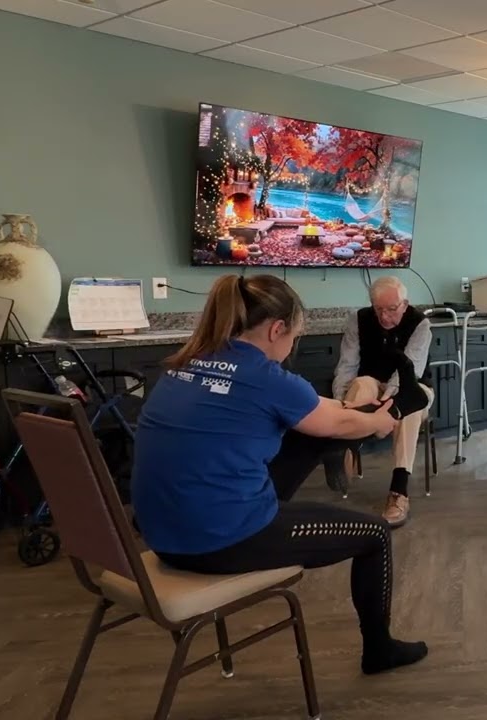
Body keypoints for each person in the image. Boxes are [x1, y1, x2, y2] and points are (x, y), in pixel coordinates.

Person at [131, 274, 428, 676]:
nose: (293, 345)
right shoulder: (265, 377)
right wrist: (390, 415)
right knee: (374, 534)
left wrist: (360, 415)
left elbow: (323, 409)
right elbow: (346, 422)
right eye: (295, 336)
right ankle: (380, 651)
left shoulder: (186, 365)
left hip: (162, 534)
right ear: (276, 330)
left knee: (311, 434)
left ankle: (328, 453)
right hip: (218, 541)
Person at [328, 275, 433, 527]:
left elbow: (408, 372)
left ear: (404, 304)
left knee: (407, 406)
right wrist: (340, 404)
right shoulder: (358, 319)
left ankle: (399, 491)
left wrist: (386, 406)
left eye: (392, 309)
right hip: (372, 385)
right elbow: (347, 365)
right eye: (379, 309)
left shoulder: (420, 324)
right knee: (361, 384)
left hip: (414, 388)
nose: (384, 316)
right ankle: (344, 446)